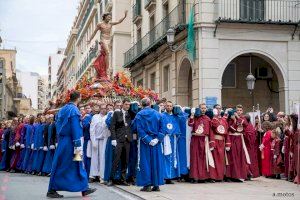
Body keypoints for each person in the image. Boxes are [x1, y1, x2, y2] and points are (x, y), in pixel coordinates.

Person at [47, 91, 96, 198]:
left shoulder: (63, 109)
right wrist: (78, 144)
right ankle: (83, 188)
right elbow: (75, 128)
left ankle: (83, 188)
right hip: (72, 142)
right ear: (78, 98)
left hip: (63, 142)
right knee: (78, 162)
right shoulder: (74, 110)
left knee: (60, 164)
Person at [135, 97, 165, 192]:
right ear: (150, 103)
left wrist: (148, 139)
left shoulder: (139, 115)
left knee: (145, 163)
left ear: (141, 104)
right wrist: (157, 139)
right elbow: (162, 128)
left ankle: (147, 185)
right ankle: (156, 185)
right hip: (156, 142)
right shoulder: (158, 114)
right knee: (156, 162)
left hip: (145, 143)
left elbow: (139, 129)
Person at [89, 11, 128, 78]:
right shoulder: (100, 24)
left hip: (108, 40)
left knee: (106, 54)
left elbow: (119, 22)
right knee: (107, 52)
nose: (110, 18)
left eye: (110, 17)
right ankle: (107, 69)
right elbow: (94, 32)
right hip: (103, 39)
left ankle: (104, 67)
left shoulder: (111, 23)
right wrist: (90, 39)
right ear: (105, 17)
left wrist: (124, 16)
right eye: (108, 16)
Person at [108, 98, 132, 186]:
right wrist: (113, 138)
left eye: (129, 105)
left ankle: (123, 179)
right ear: (122, 104)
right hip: (118, 139)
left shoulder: (130, 114)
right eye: (126, 104)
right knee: (116, 159)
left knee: (125, 160)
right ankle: (111, 178)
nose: (128, 106)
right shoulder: (117, 113)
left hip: (127, 140)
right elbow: (112, 126)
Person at [188, 103, 215, 183]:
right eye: (202, 108)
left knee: (204, 158)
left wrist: (211, 143)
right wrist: (192, 116)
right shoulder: (195, 118)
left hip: (204, 140)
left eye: (204, 108)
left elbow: (210, 131)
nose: (203, 110)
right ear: (199, 109)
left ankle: (203, 177)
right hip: (196, 139)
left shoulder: (208, 119)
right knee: (195, 158)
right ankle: (195, 177)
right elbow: (190, 124)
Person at [226, 105, 250, 182]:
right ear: (235, 111)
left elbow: (245, 125)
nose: (239, 112)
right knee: (232, 157)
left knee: (240, 157)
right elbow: (231, 129)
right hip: (232, 138)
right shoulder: (230, 119)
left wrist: (237, 119)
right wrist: (235, 121)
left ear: (242, 111)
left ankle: (239, 175)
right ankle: (231, 175)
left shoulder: (243, 118)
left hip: (240, 139)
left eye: (240, 110)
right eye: (237, 110)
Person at [161, 101, 181, 184]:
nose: (169, 107)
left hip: (173, 139)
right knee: (165, 156)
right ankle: (164, 176)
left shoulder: (175, 117)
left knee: (173, 157)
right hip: (165, 139)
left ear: (172, 107)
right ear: (165, 107)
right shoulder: (162, 116)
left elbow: (177, 127)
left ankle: (170, 177)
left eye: (170, 106)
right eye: (167, 106)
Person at [90, 104, 110, 183]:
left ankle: (102, 175)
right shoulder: (95, 117)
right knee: (94, 158)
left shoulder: (107, 117)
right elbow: (92, 129)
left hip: (104, 139)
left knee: (102, 158)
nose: (103, 110)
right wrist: (93, 141)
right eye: (101, 108)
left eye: (105, 108)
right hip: (96, 139)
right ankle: (93, 175)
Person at [210, 105, 231, 182]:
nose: (218, 110)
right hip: (215, 141)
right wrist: (211, 143)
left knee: (221, 160)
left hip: (222, 142)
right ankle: (213, 177)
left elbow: (227, 133)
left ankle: (220, 177)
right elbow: (213, 128)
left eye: (220, 108)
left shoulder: (224, 120)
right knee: (215, 159)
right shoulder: (212, 119)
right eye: (217, 109)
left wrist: (228, 144)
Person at [244, 114, 260, 179]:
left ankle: (249, 173)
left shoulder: (248, 126)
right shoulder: (250, 126)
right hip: (250, 146)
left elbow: (251, 137)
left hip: (248, 146)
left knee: (248, 160)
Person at [82, 104, 93, 178]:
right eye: (86, 108)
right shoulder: (86, 117)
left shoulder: (91, 116)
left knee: (89, 157)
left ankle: (89, 173)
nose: (88, 109)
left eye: (89, 108)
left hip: (91, 139)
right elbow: (84, 126)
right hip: (86, 139)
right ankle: (86, 173)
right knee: (86, 156)